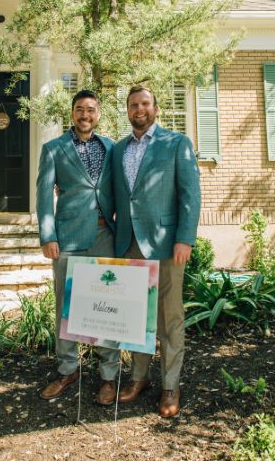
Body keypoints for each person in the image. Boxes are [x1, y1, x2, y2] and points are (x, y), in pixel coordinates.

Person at [111, 84, 201, 418]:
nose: (139, 109)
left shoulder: (177, 143)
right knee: (136, 316)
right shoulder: (118, 150)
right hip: (129, 242)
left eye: (145, 103)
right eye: (133, 104)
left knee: (169, 317)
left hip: (165, 244)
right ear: (128, 109)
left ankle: (170, 385)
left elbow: (190, 194)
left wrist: (185, 238)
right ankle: (138, 378)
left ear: (156, 108)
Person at [35, 89, 121, 405]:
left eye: (91, 110)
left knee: (106, 307)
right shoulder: (54, 149)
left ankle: (109, 376)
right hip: (68, 237)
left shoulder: (112, 148)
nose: (85, 115)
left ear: (98, 114)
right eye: (79, 110)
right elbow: (44, 195)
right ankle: (67, 369)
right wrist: (48, 236)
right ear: (72, 113)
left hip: (105, 237)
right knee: (66, 309)